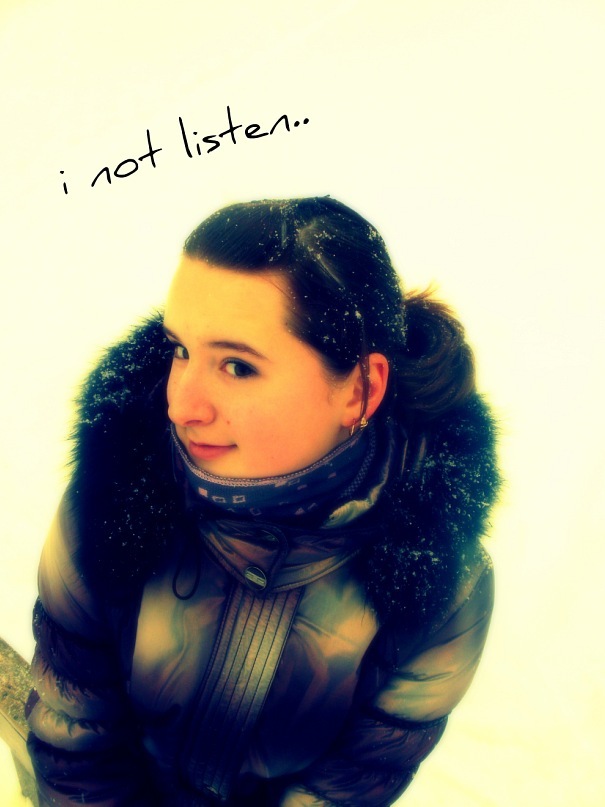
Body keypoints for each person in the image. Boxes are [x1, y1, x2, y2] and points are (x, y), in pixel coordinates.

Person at [25, 197, 500, 806]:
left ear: (361, 389)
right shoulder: (114, 501)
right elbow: (74, 732)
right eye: (180, 350)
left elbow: (352, 784)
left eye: (237, 366)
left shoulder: (438, 584)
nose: (180, 405)